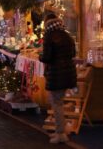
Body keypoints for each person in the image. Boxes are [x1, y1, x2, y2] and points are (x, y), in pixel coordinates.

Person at [39, 13, 77, 144]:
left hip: (56, 74)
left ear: (47, 23)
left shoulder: (49, 36)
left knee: (57, 104)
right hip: (68, 73)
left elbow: (47, 57)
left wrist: (40, 56)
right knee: (59, 102)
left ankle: (61, 133)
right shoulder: (67, 35)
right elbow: (73, 53)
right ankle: (63, 129)